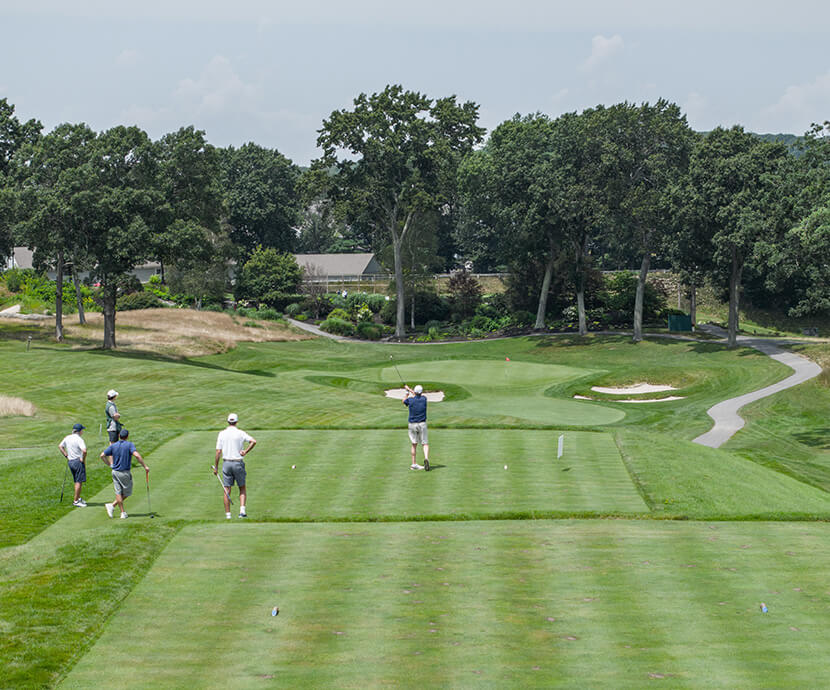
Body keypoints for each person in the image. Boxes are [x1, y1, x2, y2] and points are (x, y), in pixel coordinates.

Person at [214, 413, 256, 519]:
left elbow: (218, 451)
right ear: (236, 422)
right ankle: (242, 512)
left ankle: (228, 516)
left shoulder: (222, 433)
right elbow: (253, 441)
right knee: (242, 487)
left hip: (226, 463)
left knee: (227, 489)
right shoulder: (240, 433)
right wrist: (245, 451)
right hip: (238, 463)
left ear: (228, 421)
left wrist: (216, 467)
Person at [101, 428, 148, 519]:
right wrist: (145, 466)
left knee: (118, 492)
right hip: (124, 472)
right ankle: (114, 506)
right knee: (127, 492)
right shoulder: (129, 445)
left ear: (119, 436)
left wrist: (109, 464)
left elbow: (102, 455)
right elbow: (137, 455)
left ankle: (121, 511)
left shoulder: (113, 445)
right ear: (127, 436)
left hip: (115, 472)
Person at [58, 423, 88, 506]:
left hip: (70, 462)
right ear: (79, 431)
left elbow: (60, 446)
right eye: (82, 430)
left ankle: (78, 498)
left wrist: (66, 455)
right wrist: (83, 459)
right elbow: (84, 451)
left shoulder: (67, 437)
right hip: (77, 462)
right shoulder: (79, 439)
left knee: (76, 480)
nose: (83, 431)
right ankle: (76, 501)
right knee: (79, 482)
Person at [403, 384, 430, 471]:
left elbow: (404, 401)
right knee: (424, 443)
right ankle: (426, 458)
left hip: (412, 424)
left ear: (414, 392)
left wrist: (407, 392)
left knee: (414, 444)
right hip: (422, 424)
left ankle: (414, 464)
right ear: (421, 392)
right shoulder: (424, 399)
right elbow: (416, 395)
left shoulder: (410, 400)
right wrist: (410, 390)